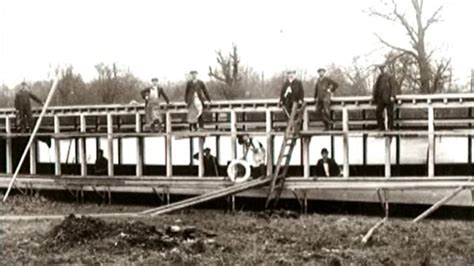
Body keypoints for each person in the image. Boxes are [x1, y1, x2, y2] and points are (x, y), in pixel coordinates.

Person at [373, 65, 398, 130]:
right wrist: (375, 97)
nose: (382, 70)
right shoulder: (379, 77)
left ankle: (390, 127)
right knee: (378, 111)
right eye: (381, 69)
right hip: (381, 99)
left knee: (390, 113)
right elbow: (376, 88)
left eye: (383, 68)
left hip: (389, 98)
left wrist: (392, 96)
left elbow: (393, 87)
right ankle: (381, 127)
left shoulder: (390, 76)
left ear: (386, 69)